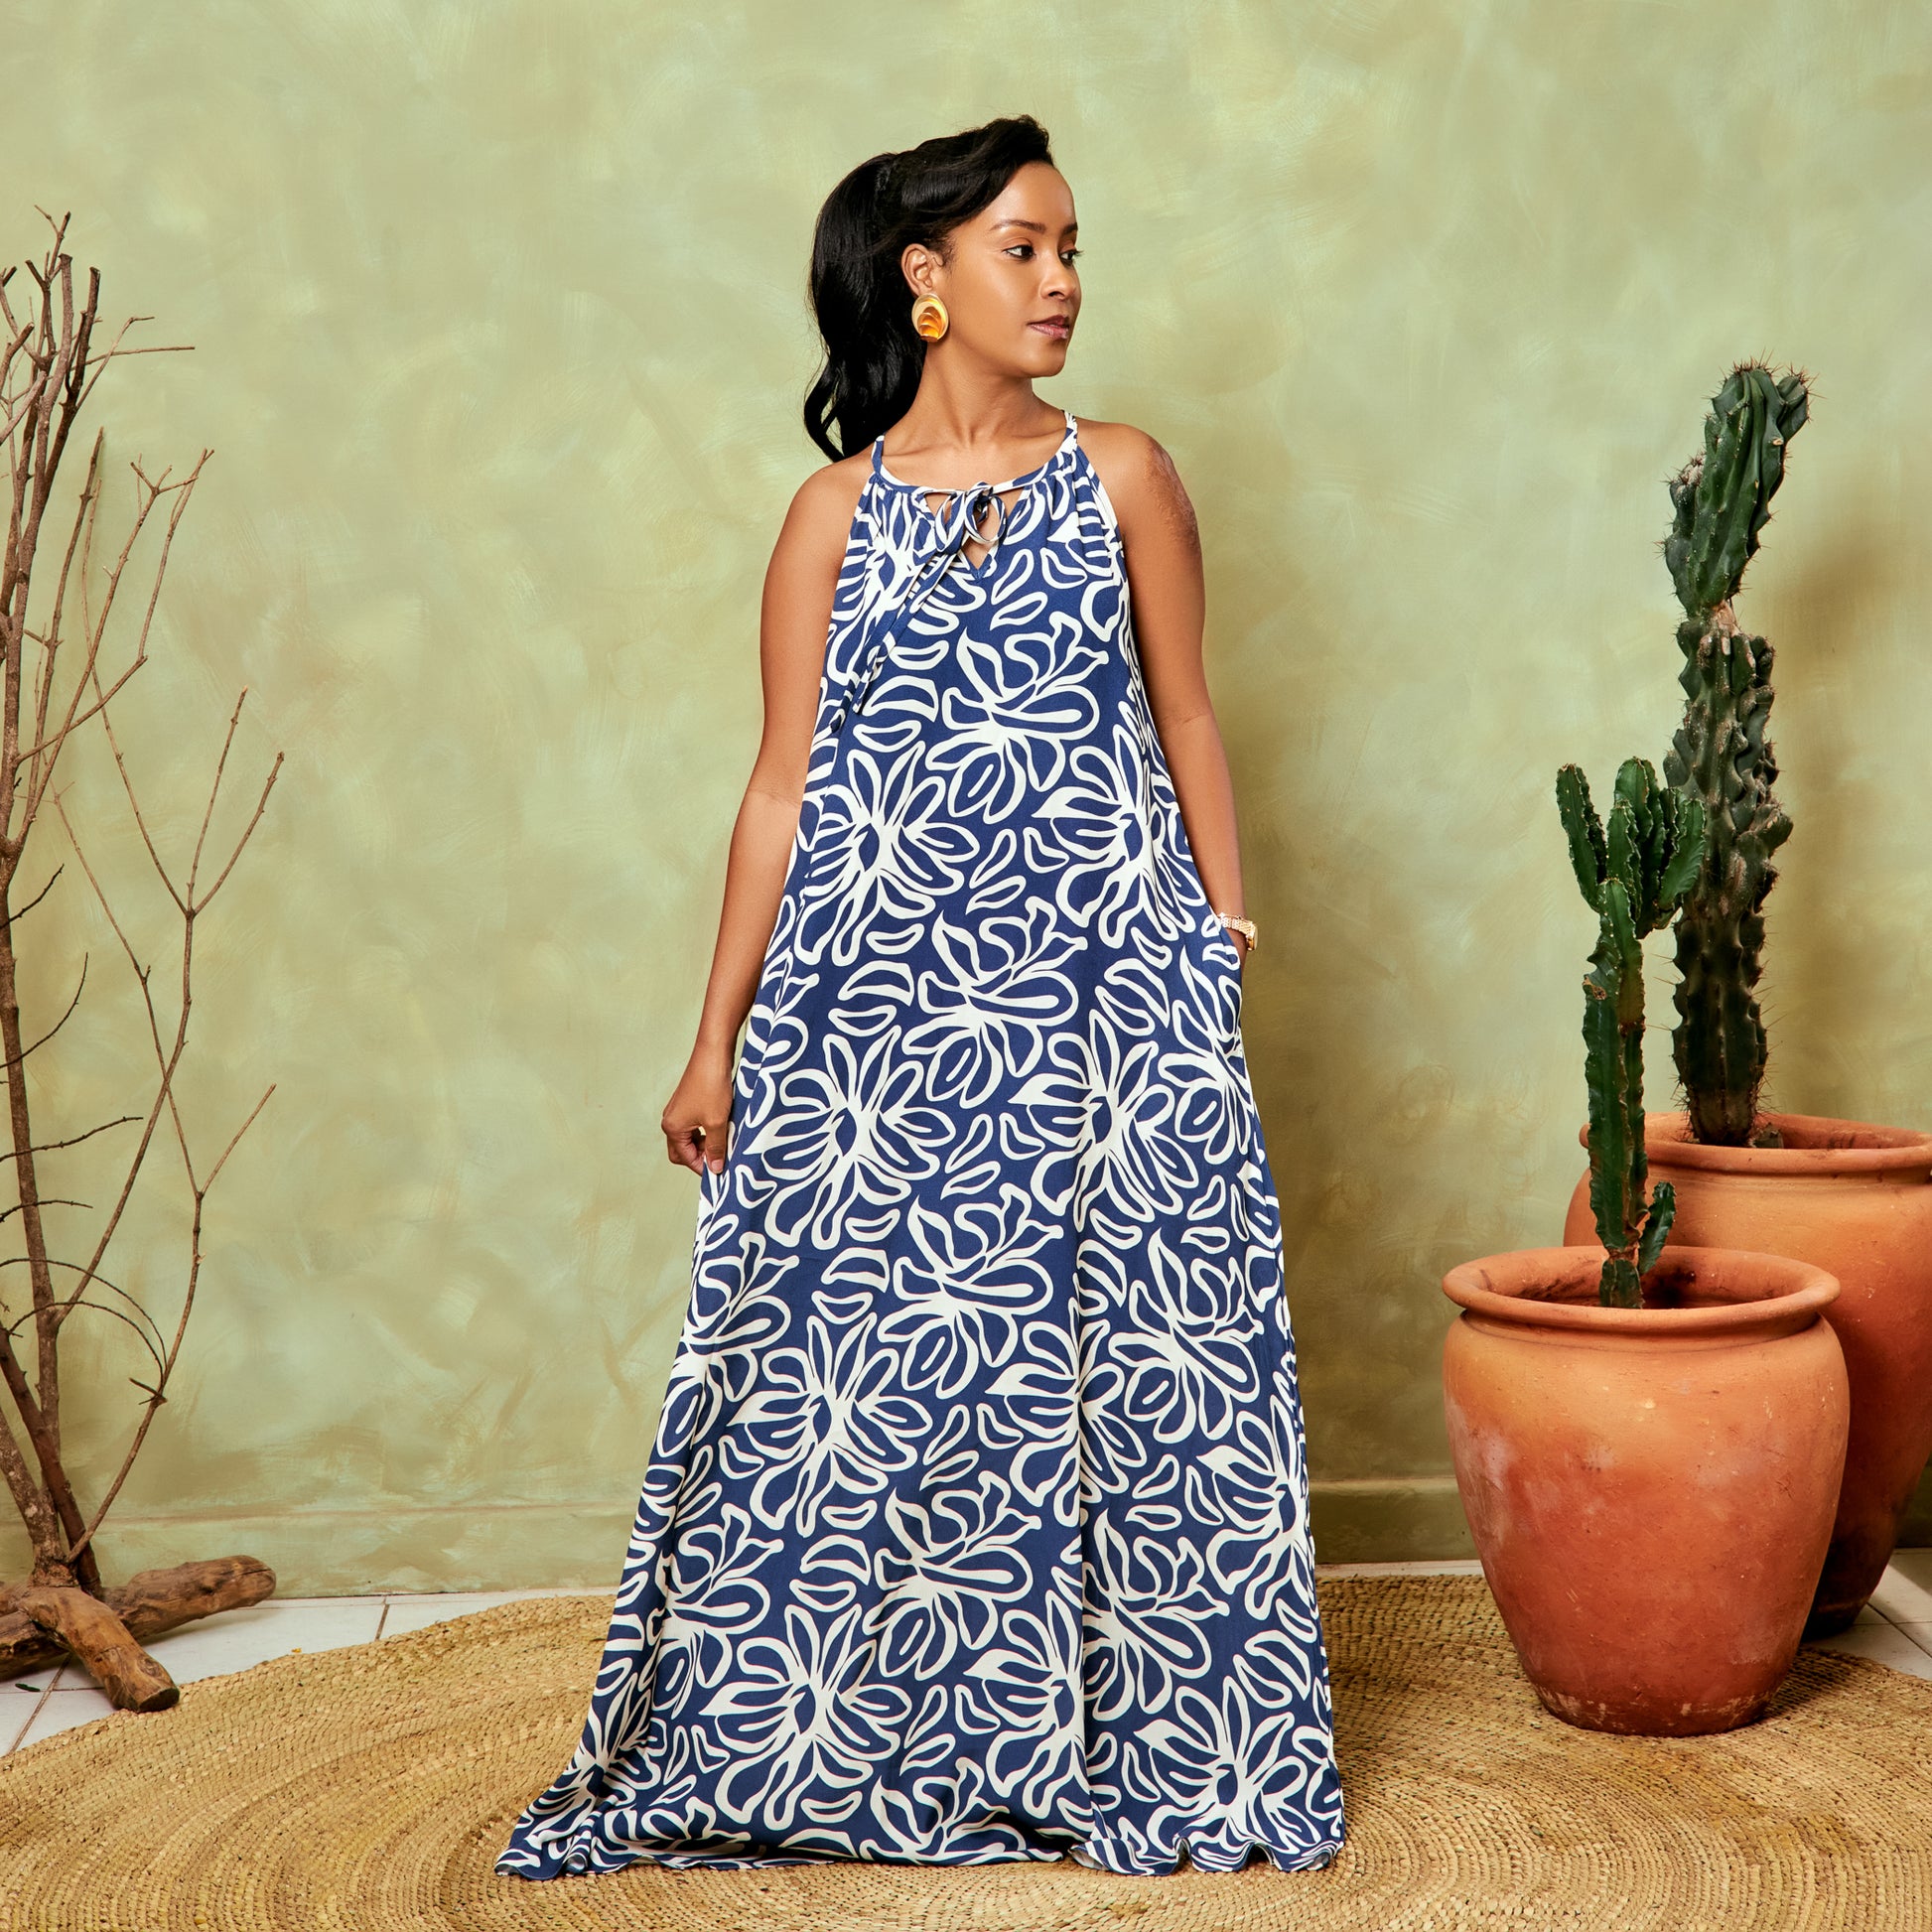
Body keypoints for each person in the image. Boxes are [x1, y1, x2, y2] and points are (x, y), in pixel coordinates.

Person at [498, 112, 1344, 1879]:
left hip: (1106, 995)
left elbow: (1189, 715)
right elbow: (777, 790)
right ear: (926, 279)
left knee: (1123, 1364)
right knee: (873, 1380)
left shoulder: (1122, 473)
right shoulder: (827, 514)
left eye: (1069, 247)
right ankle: (867, 1742)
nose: (1062, 280)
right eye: (1024, 247)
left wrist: (1225, 933)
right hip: (870, 1026)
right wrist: (715, 1033)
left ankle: (1143, 1737)